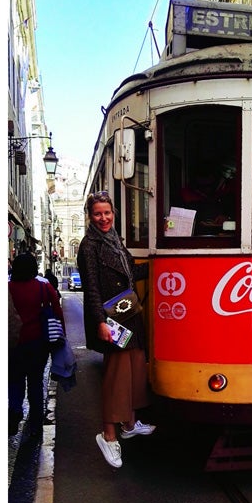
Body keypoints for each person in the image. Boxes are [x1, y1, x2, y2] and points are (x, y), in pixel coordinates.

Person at [78, 191, 155, 468]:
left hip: (128, 315)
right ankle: (108, 435)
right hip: (111, 320)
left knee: (134, 371)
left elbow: (131, 273)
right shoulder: (89, 245)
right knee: (116, 378)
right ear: (90, 216)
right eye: (98, 214)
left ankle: (129, 424)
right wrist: (100, 322)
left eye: (107, 213)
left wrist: (158, 262)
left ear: (113, 213)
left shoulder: (115, 240)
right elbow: (92, 289)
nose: (103, 218)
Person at [9, 252, 65, 437]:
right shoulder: (44, 287)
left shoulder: (8, 288)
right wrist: (61, 337)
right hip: (38, 343)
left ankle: (15, 411)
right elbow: (57, 312)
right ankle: (35, 423)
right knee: (35, 382)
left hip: (14, 343)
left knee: (14, 379)